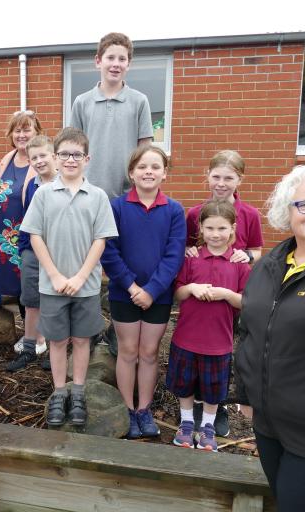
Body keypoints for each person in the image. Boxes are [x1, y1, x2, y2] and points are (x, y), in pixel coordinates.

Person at [235, 163, 305, 511]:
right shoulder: (271, 264)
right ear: (289, 210)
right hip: (270, 427)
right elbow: (252, 331)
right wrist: (246, 392)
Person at [21, 127, 118, 427]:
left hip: (85, 286)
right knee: (58, 340)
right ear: (55, 157)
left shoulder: (98, 196)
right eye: (64, 154)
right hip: (52, 285)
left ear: (87, 159)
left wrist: (79, 277)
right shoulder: (44, 194)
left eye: (76, 154)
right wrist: (54, 274)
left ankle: (78, 392)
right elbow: (35, 236)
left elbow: (100, 240)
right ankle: (59, 392)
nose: (70, 159)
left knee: (81, 339)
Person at [101, 145, 186, 438]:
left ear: (164, 173)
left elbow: (174, 255)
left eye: (155, 167)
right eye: (142, 167)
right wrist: (132, 286)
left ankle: (144, 409)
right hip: (124, 292)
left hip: (158, 295)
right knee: (127, 350)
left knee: (149, 352)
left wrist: (151, 290)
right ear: (131, 172)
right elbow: (109, 252)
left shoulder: (174, 210)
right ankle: (127, 407)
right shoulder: (117, 207)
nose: (148, 171)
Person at [184, 149, 264, 436]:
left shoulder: (250, 214)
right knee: (194, 351)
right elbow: (186, 247)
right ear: (207, 176)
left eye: (228, 177)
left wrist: (247, 257)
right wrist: (188, 249)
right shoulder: (195, 213)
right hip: (200, 298)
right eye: (216, 176)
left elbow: (256, 250)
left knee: (223, 354)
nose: (221, 183)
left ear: (239, 179)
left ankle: (217, 408)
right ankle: (192, 406)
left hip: (231, 298)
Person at [168, 200, 250, 452]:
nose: (216, 234)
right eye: (210, 228)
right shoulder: (191, 259)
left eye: (222, 228)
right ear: (200, 229)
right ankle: (186, 423)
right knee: (184, 383)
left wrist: (225, 293)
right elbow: (179, 294)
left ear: (232, 229)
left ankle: (207, 427)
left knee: (213, 389)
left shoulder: (239, 264)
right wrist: (191, 288)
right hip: (186, 337)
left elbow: (246, 302)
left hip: (218, 342)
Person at [70, 31, 153, 199]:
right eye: (110, 58)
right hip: (87, 192)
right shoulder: (82, 102)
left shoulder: (139, 101)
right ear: (98, 61)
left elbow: (145, 149)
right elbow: (73, 148)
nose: (116, 64)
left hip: (127, 194)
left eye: (122, 59)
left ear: (128, 64)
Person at [6, 135, 57, 372]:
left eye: (43, 155)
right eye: (34, 157)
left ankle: (54, 346)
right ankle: (29, 347)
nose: (38, 161)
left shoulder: (63, 183)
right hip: (30, 249)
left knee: (55, 300)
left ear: (54, 156)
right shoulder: (32, 184)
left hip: (57, 250)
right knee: (30, 299)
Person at [0, 111, 40, 305]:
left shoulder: (40, 161)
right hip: (2, 237)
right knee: (4, 287)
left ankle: (33, 333)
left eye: (27, 130)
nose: (21, 135)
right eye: (17, 130)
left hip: (25, 238)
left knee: (27, 292)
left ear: (37, 132)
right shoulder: (7, 159)